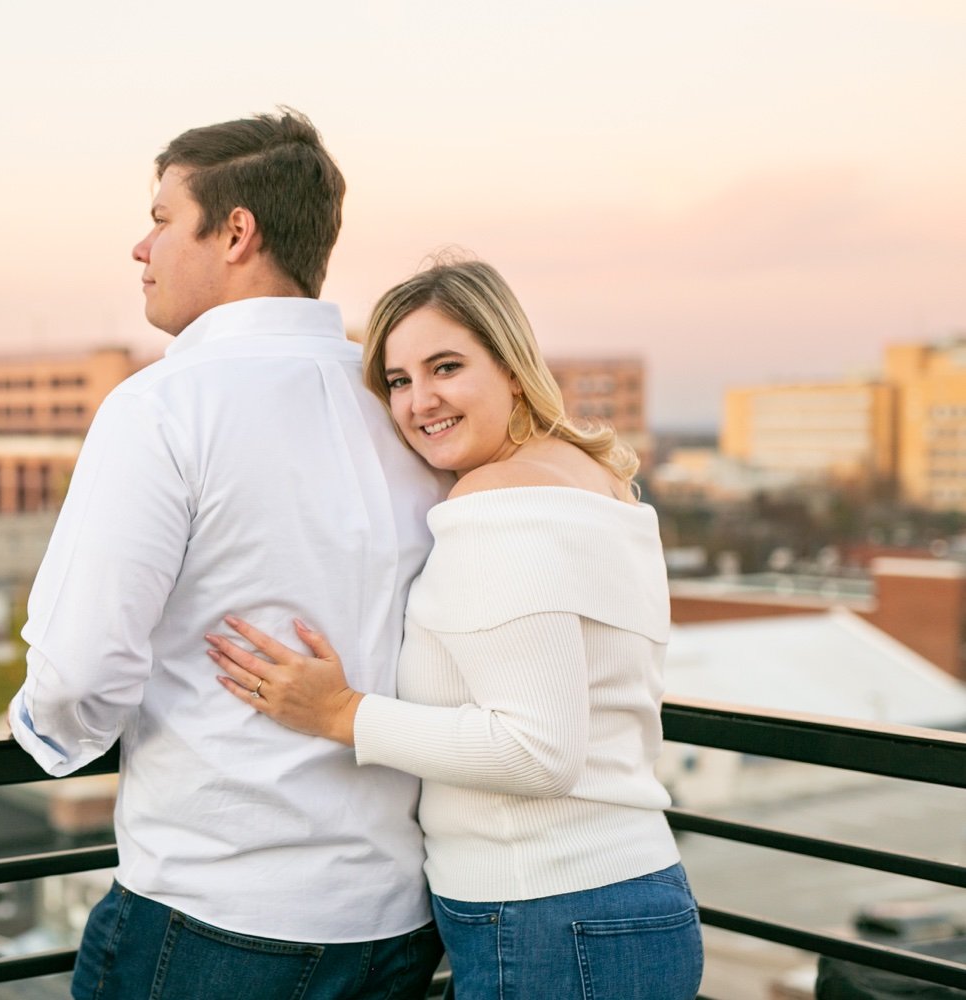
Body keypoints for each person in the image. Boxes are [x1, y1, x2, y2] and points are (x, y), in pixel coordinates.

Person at [7, 109, 450, 1000]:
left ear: (236, 232)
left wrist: (49, 736)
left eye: (164, 218)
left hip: (216, 920)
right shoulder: (404, 406)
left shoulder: (163, 407)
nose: (141, 247)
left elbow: (78, 672)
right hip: (397, 921)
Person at [207, 260, 704, 1000]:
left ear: (510, 367)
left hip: (551, 919)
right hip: (617, 905)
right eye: (399, 381)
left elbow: (538, 752)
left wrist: (341, 713)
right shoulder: (591, 480)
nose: (419, 401)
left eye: (446, 367)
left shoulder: (499, 503)